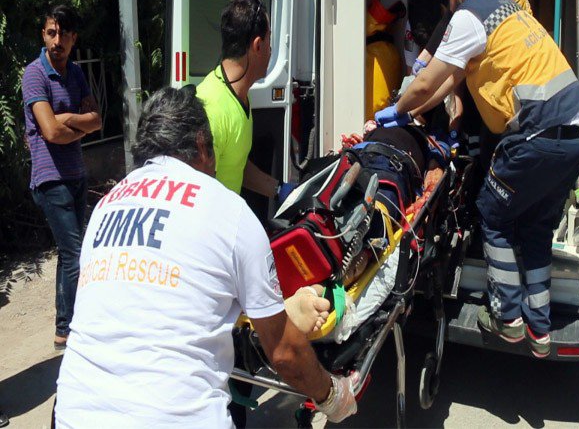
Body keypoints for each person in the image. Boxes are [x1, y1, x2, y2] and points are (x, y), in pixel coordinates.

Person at [54, 86, 357, 428]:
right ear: (202, 145)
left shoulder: (106, 206)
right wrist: (332, 394)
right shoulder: (229, 211)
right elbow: (284, 353)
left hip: (73, 414)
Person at [376, 0, 579, 358]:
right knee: (535, 226)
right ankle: (539, 330)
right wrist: (414, 106)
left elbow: (427, 85)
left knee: (492, 210)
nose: (449, 7)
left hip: (539, 135)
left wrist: (397, 109)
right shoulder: (506, 6)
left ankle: (508, 319)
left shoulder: (468, 16)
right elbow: (448, 79)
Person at [21, 5, 102, 350]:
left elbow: (97, 119)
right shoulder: (34, 74)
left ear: (73, 38)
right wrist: (72, 124)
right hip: (49, 178)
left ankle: (63, 326)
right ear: (44, 35)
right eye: (51, 33)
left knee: (69, 253)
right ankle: (76, 327)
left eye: (63, 34)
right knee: (76, 251)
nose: (57, 41)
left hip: (76, 174)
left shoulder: (77, 74)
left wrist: (67, 116)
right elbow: (50, 133)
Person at [196, 0, 295, 202]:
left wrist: (279, 190)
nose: (270, 50)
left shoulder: (239, 95)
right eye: (270, 40)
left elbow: (235, 163)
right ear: (258, 45)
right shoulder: (212, 108)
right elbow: (198, 192)